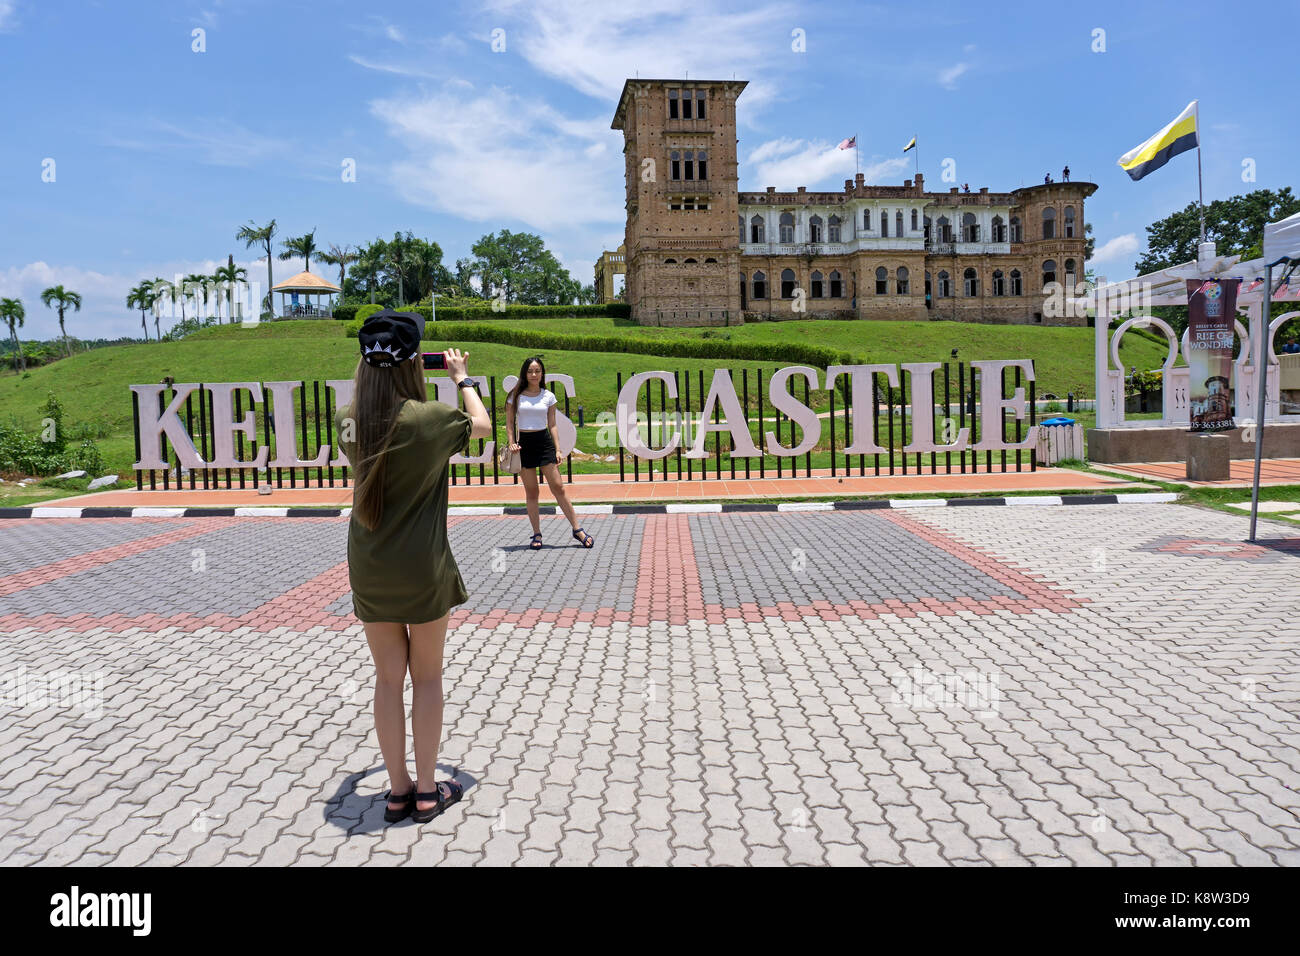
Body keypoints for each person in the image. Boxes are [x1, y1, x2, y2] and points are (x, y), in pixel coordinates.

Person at [335, 310, 492, 824]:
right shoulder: (430, 421)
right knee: (427, 678)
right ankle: (428, 791)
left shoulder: (347, 420)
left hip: (370, 562)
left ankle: (397, 791)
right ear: (413, 364)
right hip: (421, 566)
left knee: (387, 680)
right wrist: (461, 378)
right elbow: (485, 426)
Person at [505, 355, 595, 550]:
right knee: (532, 492)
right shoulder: (515, 396)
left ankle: (577, 529)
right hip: (524, 445)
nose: (534, 374)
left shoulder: (548, 396)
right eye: (530, 371)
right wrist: (511, 443)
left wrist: (558, 448)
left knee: (558, 487)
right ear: (525, 373)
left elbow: (552, 425)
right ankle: (536, 534)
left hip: (544, 442)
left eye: (537, 370)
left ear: (542, 373)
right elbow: (510, 423)